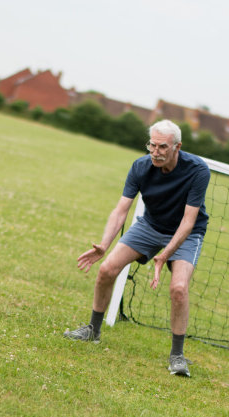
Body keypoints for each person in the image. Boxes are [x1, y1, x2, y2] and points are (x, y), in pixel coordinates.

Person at [64, 119, 210, 377]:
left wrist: (164, 256)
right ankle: (93, 331)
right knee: (107, 269)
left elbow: (188, 222)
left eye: (162, 147)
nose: (155, 152)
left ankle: (177, 356)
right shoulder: (141, 167)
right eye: (152, 145)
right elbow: (122, 210)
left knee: (178, 288)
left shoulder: (198, 170)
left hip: (186, 234)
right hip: (151, 226)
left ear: (177, 147)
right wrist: (104, 245)